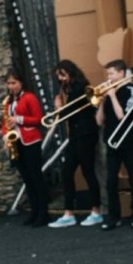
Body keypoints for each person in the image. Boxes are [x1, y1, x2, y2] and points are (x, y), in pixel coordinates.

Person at [48, 60, 103, 228]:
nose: (60, 78)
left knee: (88, 171)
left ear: (70, 72)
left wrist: (58, 107)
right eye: (58, 75)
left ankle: (96, 211)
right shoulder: (69, 88)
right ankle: (68, 213)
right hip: (76, 135)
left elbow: (73, 110)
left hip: (86, 133)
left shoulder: (80, 86)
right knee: (67, 172)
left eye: (63, 74)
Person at [96, 59, 133, 230]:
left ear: (122, 73)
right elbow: (99, 121)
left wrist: (113, 96)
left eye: (112, 73)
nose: (109, 77)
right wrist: (101, 103)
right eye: (108, 74)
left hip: (128, 140)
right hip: (111, 142)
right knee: (110, 181)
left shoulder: (131, 90)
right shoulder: (108, 94)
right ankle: (113, 216)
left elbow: (122, 117)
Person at [1, 68, 50, 227]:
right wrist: (5, 135)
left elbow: (38, 119)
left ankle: (43, 213)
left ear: (21, 82)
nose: (11, 86)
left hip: (30, 141)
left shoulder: (29, 98)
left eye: (14, 83)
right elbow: (4, 122)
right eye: (8, 83)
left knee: (36, 178)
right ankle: (34, 211)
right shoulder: (8, 101)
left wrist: (19, 119)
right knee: (27, 180)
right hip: (16, 142)